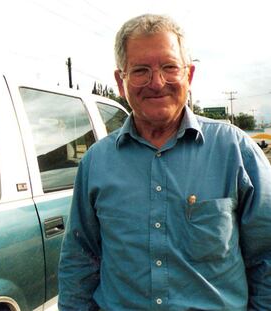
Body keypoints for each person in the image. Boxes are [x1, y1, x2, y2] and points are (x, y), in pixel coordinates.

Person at [58, 13, 271, 310]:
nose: (157, 83)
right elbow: (80, 262)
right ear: (121, 81)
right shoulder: (96, 162)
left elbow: (267, 257)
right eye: (141, 70)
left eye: (170, 67)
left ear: (189, 75)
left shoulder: (235, 151)